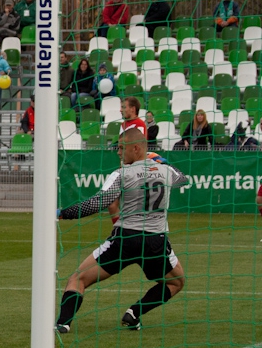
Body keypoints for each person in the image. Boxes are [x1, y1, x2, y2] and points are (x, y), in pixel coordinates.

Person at [55, 129, 187, 333]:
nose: (117, 152)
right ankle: (135, 312)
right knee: (176, 282)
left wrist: (64, 213)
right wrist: (161, 161)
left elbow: (97, 202)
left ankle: (63, 324)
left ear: (136, 148)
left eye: (121, 148)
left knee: (78, 278)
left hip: (126, 239)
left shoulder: (122, 174)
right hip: (155, 242)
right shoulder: (166, 171)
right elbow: (183, 179)